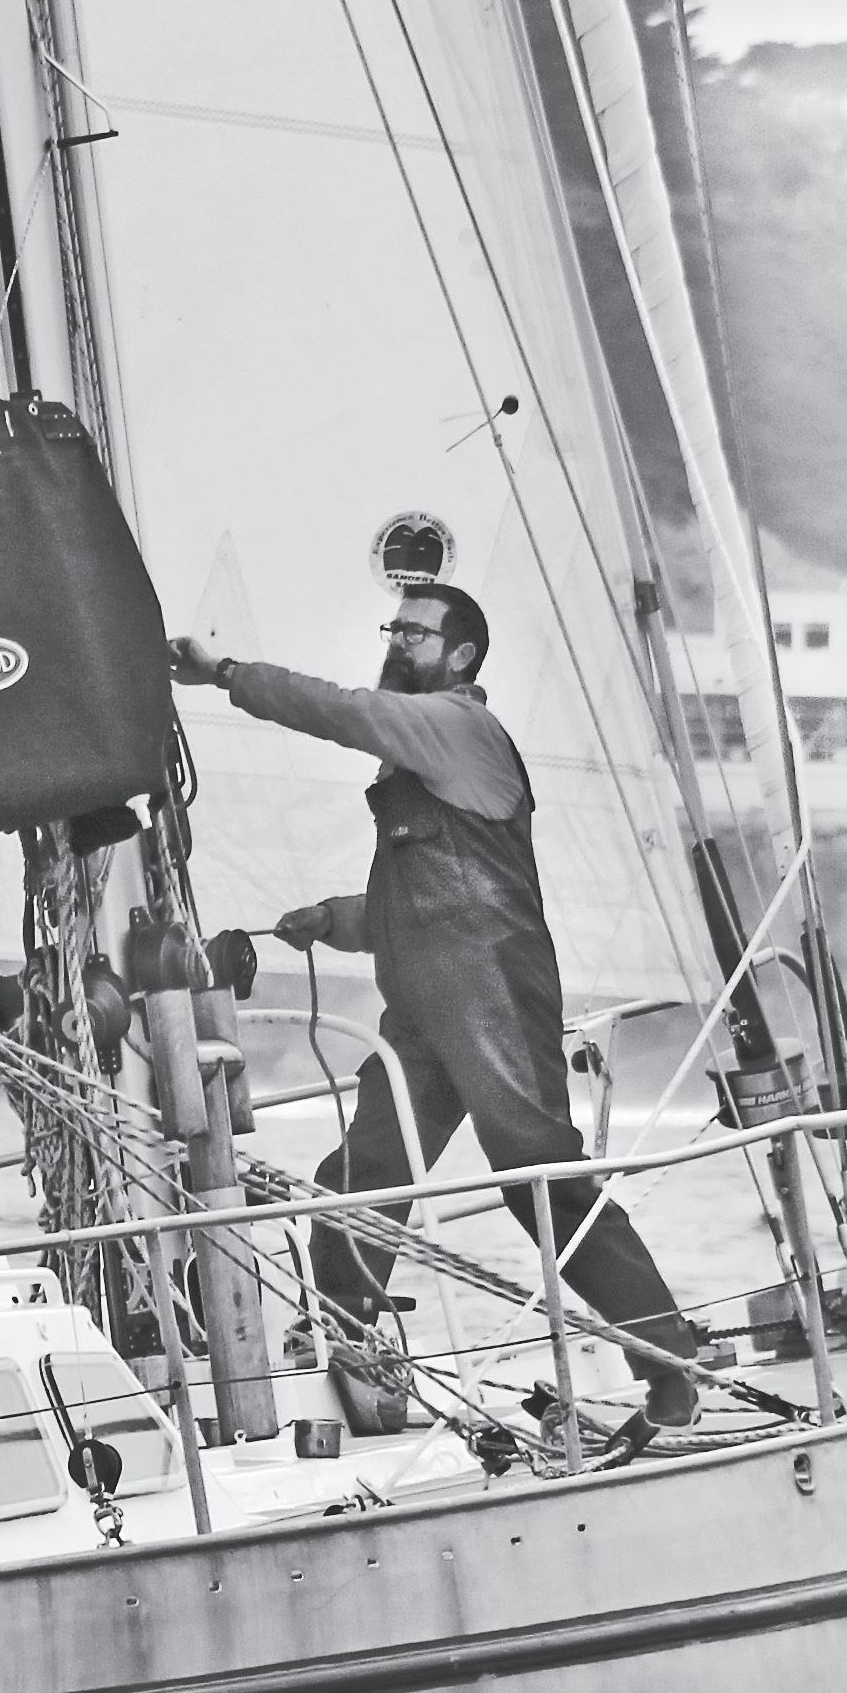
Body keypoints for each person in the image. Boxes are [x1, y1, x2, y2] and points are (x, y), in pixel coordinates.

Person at [168, 583, 699, 1431]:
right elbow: (418, 904)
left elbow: (344, 711)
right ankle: (347, 1340)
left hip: (493, 993)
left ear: (461, 656)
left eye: (416, 632)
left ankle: (670, 1362)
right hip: (422, 1015)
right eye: (395, 627)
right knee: (362, 1173)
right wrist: (333, 920)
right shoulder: (416, 763)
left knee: (540, 1176)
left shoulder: (457, 726)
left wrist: (226, 673)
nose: (398, 640)